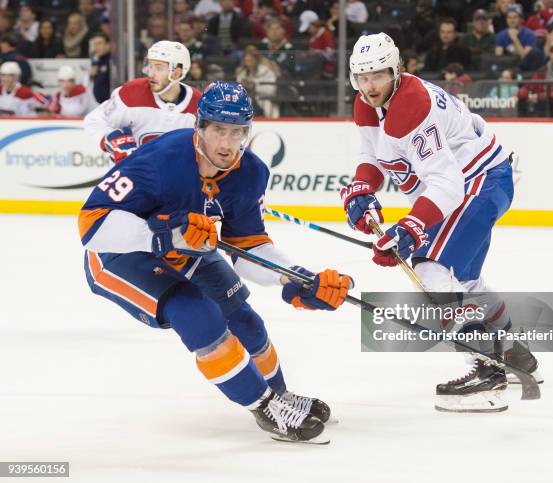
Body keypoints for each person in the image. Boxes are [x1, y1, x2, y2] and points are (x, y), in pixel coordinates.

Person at [78, 81, 351, 443]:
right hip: (119, 254)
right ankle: (265, 406)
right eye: (219, 130)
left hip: (186, 247)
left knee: (242, 314)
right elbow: (92, 224)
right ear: (199, 127)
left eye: (237, 132)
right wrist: (160, 236)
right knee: (198, 313)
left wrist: (295, 279)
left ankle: (281, 395)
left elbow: (249, 247)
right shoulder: (160, 160)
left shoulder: (251, 173)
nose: (227, 143)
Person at [341, 33, 541, 413]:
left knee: (432, 265)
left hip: (478, 182)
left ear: (396, 69)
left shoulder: (411, 105)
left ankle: (486, 369)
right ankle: (513, 355)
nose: (369, 86)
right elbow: (372, 157)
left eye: (378, 76)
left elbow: (448, 183)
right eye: (361, 78)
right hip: (475, 182)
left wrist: (410, 229)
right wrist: (362, 191)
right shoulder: (368, 104)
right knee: (463, 279)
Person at [85, 40, 200, 163]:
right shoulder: (131, 93)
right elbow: (94, 120)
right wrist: (110, 140)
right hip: (130, 177)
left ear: (177, 73)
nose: (151, 73)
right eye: (150, 66)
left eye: (158, 68)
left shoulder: (199, 106)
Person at [89, 31, 111, 103]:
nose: (97, 47)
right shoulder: (96, 60)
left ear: (108, 45)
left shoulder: (112, 61)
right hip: (99, 104)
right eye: (95, 45)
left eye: (99, 44)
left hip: (112, 104)